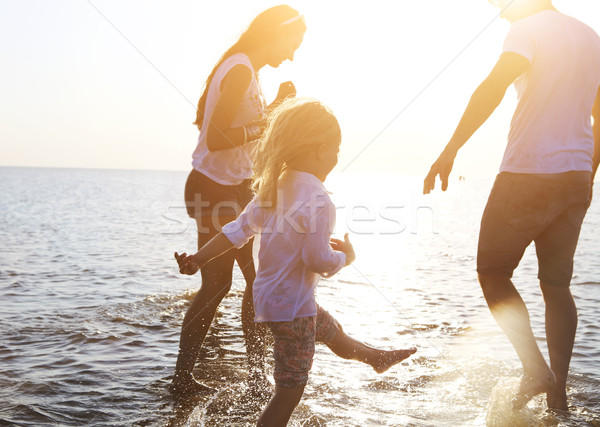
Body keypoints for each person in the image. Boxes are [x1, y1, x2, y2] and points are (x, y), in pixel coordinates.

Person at [176, 98, 417, 426]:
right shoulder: (319, 200)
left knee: (332, 332)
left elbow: (236, 232)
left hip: (270, 302)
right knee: (288, 392)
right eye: (336, 149)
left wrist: (198, 258)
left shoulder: (273, 188)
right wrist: (346, 257)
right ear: (319, 149)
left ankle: (375, 358)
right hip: (293, 310)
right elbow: (317, 259)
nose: (336, 156)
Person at [423, 0, 600, 411]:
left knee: (493, 272)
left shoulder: (527, 29)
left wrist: (450, 149)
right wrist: (586, 170)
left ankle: (535, 369)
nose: (498, 10)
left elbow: (493, 86)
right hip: (575, 176)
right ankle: (558, 398)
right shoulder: (591, 37)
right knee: (556, 287)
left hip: (527, 172)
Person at [174, 5, 307, 395]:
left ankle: (253, 375)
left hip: (233, 187)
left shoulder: (246, 69)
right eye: (292, 44)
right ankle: (193, 380)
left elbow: (235, 129)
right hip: (212, 187)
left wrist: (272, 108)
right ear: (276, 33)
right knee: (222, 285)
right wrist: (269, 118)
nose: (292, 55)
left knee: (253, 280)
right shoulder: (240, 68)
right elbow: (216, 138)